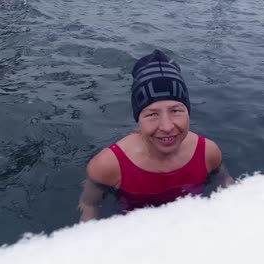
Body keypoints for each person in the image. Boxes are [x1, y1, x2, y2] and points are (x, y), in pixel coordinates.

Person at [78, 49, 234, 221]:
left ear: (188, 112)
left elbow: (226, 185)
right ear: (138, 118)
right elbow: (90, 205)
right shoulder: (108, 165)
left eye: (176, 111)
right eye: (152, 114)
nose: (167, 127)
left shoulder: (208, 153)